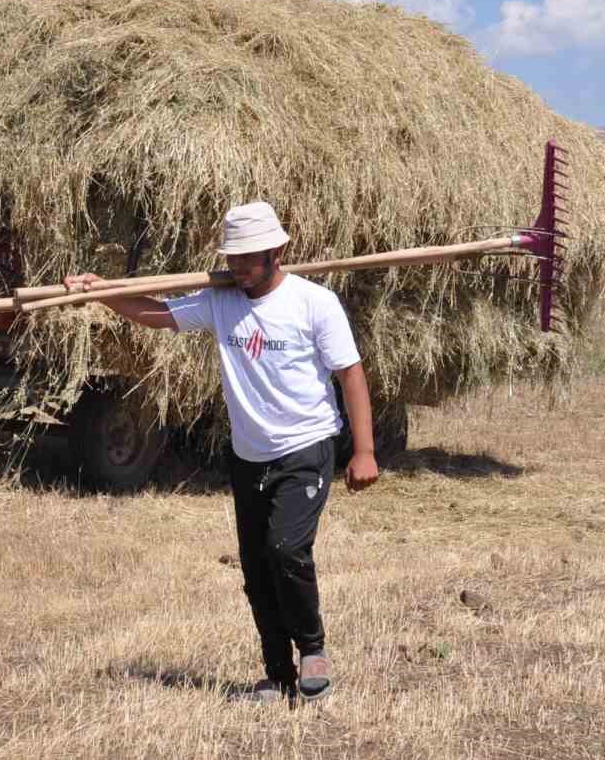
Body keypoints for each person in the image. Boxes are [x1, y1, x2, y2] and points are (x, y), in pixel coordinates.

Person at [63, 201, 379, 705]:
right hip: (247, 454)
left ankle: (312, 650)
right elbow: (159, 315)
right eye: (232, 258)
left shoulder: (314, 303)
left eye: (248, 258)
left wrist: (363, 451)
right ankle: (276, 675)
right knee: (256, 567)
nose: (238, 267)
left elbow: (351, 374)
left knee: (285, 549)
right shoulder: (220, 301)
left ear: (277, 252)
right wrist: (105, 292)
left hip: (306, 445)